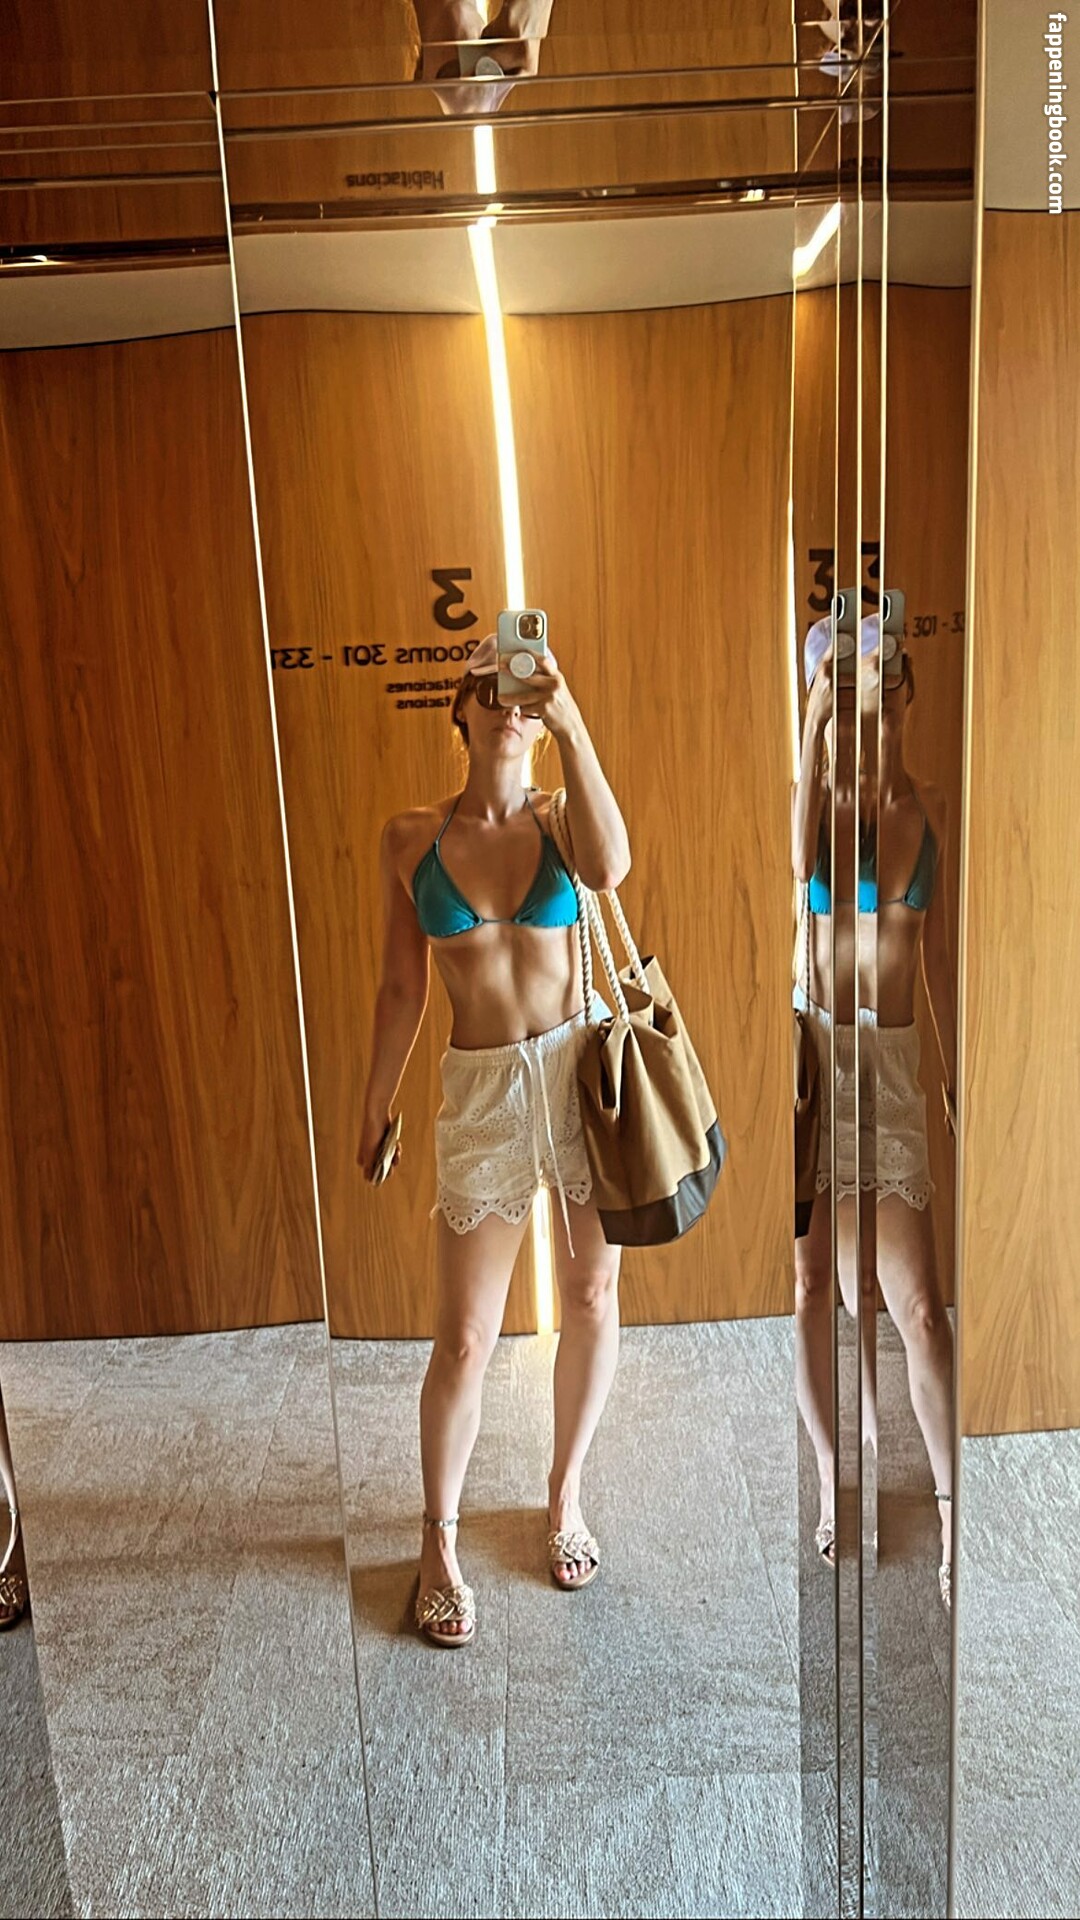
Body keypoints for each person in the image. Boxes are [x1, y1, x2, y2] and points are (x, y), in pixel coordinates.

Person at [357, 634, 630, 1647]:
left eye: (527, 690)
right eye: (493, 687)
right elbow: (401, 988)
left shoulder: (563, 818)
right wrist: (375, 1102)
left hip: (578, 1080)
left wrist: (572, 717)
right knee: (466, 1338)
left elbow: (612, 867)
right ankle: (439, 1539)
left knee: (592, 1295)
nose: (511, 704)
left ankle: (565, 1494)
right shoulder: (409, 838)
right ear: (461, 711)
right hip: (479, 1099)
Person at [792, 616, 956, 1608]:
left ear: (907, 688)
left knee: (919, 1308)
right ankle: (832, 1476)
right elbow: (793, 860)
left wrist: (958, 1074)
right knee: (817, 1285)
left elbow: (940, 960)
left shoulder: (931, 808)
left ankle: (951, 1506)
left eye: (886, 680)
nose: (873, 699)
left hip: (891, 1073)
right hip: (817, 1062)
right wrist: (818, 716)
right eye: (851, 684)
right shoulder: (818, 806)